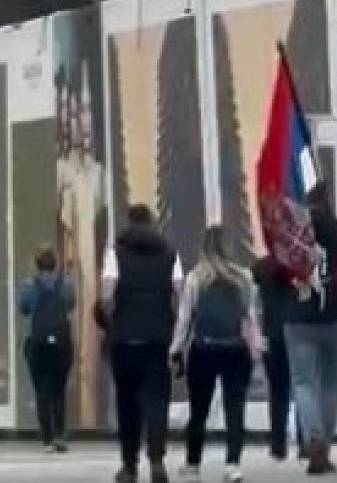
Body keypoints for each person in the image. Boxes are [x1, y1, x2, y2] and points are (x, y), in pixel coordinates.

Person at [100, 204, 184, 483]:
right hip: (158, 337)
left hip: (125, 337)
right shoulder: (170, 254)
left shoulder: (116, 253)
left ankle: (129, 465)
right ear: (152, 223)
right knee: (157, 400)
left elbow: (108, 295)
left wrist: (110, 317)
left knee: (127, 403)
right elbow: (180, 294)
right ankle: (157, 460)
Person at [172, 226, 263, 483]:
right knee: (235, 409)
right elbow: (250, 316)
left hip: (204, 350)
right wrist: (255, 345)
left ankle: (193, 465)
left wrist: (176, 349)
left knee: (198, 410)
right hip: (236, 350)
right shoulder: (244, 278)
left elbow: (184, 319)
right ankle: (233, 465)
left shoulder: (195, 279)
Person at [281, 183, 337, 474]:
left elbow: (276, 270)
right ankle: (325, 441)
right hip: (335, 315)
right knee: (330, 382)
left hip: (299, 315)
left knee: (303, 381)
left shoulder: (294, 232)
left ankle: (313, 438)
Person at [19, 246, 75, 453]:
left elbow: (24, 309)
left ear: (36, 264)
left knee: (42, 391)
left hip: (38, 344)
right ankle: (60, 433)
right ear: (56, 263)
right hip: (61, 344)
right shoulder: (66, 285)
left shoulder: (29, 286)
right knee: (59, 389)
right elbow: (71, 305)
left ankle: (47, 438)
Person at [252, 254, 303, 462]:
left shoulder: (261, 268)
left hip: (273, 333)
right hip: (300, 331)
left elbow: (256, 303)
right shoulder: (301, 265)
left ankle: (278, 444)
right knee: (303, 386)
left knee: (277, 391)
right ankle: (306, 440)